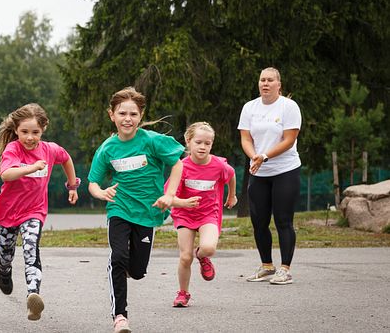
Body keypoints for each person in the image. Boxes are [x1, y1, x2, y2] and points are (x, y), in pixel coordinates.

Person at [87, 87, 199, 333]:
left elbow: (177, 164)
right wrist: (101, 193)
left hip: (147, 212)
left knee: (137, 271)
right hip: (119, 209)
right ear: (112, 115)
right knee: (117, 258)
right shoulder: (107, 148)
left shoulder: (151, 141)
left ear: (140, 116)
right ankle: (120, 316)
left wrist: (170, 195)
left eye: (133, 114)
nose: (127, 118)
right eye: (122, 113)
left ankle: (126, 267)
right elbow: (93, 182)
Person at [0, 103, 79, 321]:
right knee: (6, 253)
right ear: (16, 130)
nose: (30, 137)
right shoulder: (13, 150)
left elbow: (66, 158)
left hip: (34, 211)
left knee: (31, 249)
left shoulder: (50, 150)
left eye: (35, 132)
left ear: (43, 129)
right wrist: (31, 167)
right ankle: (4, 270)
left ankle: (32, 295)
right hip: (9, 212)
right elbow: (6, 174)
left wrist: (72, 185)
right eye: (24, 132)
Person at [238, 67, 301, 285]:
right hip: (259, 171)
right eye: (262, 80)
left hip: (285, 170)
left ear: (279, 85)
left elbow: (288, 140)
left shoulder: (289, 107)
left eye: (270, 80)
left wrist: (264, 155)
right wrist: (254, 156)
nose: (265, 83)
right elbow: (245, 138)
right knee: (259, 221)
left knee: (283, 220)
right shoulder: (250, 108)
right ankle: (267, 266)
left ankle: (285, 269)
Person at [170, 122, 237, 308]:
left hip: (209, 214)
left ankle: (202, 256)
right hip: (185, 214)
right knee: (185, 257)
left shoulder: (218, 166)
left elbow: (231, 175)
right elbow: (170, 197)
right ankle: (183, 293)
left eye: (207, 143)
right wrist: (183, 203)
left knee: (208, 248)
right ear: (188, 141)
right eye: (198, 142)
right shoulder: (181, 167)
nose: (203, 147)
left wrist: (232, 196)